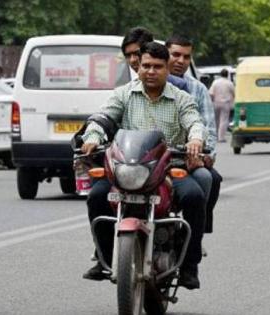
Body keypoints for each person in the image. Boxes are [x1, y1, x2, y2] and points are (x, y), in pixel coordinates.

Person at [81, 42, 210, 289]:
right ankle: (104, 258)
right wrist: (92, 137)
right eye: (146, 66)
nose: (151, 71)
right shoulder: (123, 94)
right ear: (138, 67)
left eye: (157, 67)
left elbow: (194, 121)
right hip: (127, 169)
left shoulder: (181, 98)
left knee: (194, 197)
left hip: (168, 168)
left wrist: (195, 139)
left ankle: (189, 266)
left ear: (167, 69)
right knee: (96, 196)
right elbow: (103, 118)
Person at [166, 34, 222, 234]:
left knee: (209, 179)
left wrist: (203, 155)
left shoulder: (196, 90)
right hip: (148, 161)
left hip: (185, 158)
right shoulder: (133, 90)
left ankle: (194, 233)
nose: (181, 61)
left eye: (186, 57)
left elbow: (206, 128)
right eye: (175, 55)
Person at [121, 27, 189, 92]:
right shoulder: (127, 90)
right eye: (128, 55)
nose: (132, 60)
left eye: (136, 53)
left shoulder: (178, 86)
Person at [209, 68, 235, 142]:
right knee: (224, 120)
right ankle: (221, 137)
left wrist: (211, 101)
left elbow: (211, 93)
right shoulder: (229, 83)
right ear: (227, 75)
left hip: (216, 102)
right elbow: (234, 93)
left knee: (216, 120)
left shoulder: (215, 82)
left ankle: (215, 136)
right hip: (226, 103)